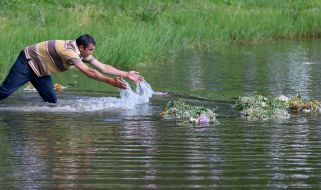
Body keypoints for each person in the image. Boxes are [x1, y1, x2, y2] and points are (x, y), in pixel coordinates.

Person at [0, 34, 144, 103]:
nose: (91, 53)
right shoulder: (69, 52)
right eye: (90, 50)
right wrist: (110, 81)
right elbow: (89, 71)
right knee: (5, 92)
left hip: (42, 69)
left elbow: (102, 67)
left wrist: (126, 73)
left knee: (51, 100)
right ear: (81, 47)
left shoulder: (80, 52)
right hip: (27, 62)